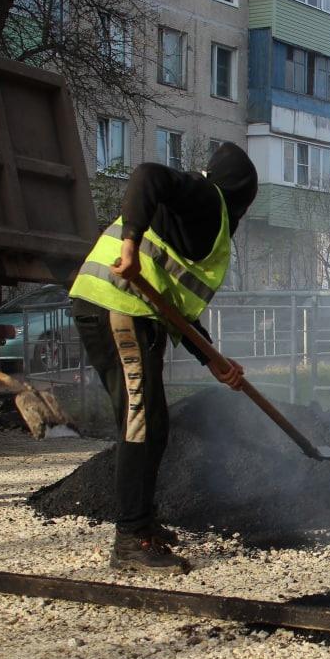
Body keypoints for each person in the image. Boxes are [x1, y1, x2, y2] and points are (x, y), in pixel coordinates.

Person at [69, 143, 258, 575]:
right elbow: (146, 175)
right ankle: (131, 540)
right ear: (241, 193)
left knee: (149, 421)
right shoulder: (207, 197)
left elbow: (176, 301)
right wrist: (130, 244)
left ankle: (142, 521)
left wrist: (212, 358)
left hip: (132, 310)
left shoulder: (202, 219)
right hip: (118, 305)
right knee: (143, 421)